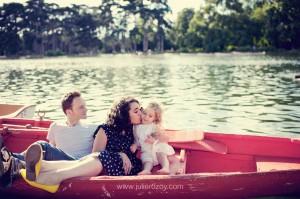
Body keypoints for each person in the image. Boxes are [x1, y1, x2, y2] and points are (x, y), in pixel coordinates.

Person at [20, 96, 143, 193]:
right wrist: (120, 154)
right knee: (100, 156)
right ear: (124, 114)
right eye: (136, 111)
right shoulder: (107, 129)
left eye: (140, 110)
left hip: (119, 167)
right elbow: (97, 154)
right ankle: (40, 168)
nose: (140, 113)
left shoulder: (136, 129)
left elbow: (155, 127)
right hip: (102, 164)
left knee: (99, 158)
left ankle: (48, 172)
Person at [0, 91, 97, 186]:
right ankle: (8, 161)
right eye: (81, 107)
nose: (86, 109)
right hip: (59, 163)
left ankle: (8, 159)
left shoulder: (93, 128)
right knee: (43, 150)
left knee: (44, 147)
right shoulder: (56, 126)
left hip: (79, 165)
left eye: (84, 106)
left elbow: (97, 154)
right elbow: (52, 149)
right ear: (69, 111)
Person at [130, 102, 176, 175]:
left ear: (154, 119)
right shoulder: (136, 127)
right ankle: (146, 170)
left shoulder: (154, 126)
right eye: (145, 113)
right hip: (146, 150)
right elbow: (137, 140)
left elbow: (165, 139)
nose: (146, 117)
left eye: (150, 116)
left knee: (161, 154)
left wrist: (154, 141)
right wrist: (135, 145)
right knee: (146, 159)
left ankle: (165, 167)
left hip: (157, 147)